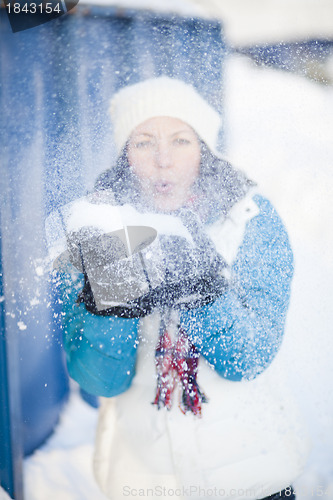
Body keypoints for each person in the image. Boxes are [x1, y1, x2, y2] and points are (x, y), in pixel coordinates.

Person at [60, 76, 309, 500]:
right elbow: (99, 384)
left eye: (180, 140)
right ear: (125, 155)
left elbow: (248, 357)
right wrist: (105, 305)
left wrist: (202, 294)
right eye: (143, 142)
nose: (162, 159)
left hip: (252, 477)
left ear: (204, 150)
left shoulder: (250, 220)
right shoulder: (102, 229)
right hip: (146, 482)